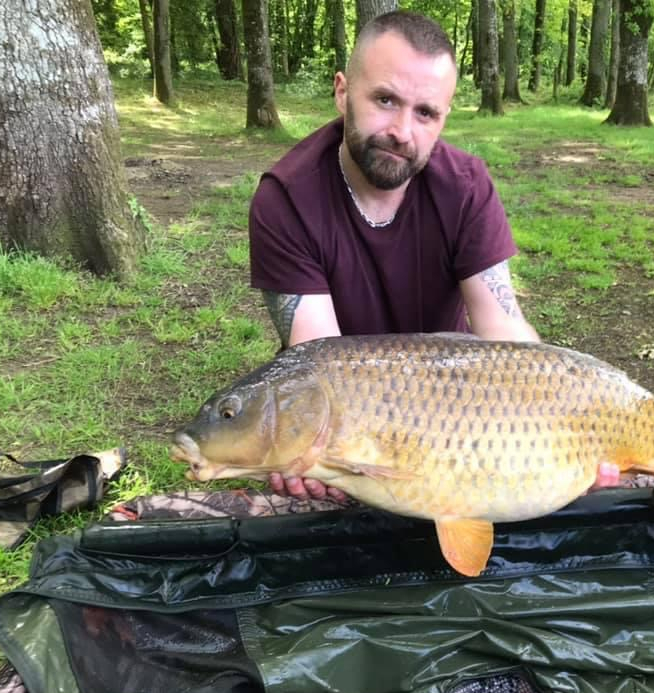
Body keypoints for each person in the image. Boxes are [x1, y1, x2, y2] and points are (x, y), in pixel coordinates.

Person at [248, 10, 619, 501]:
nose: (402, 131)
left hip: (454, 403)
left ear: (444, 118)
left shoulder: (465, 187)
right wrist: (318, 449)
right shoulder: (286, 198)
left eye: (426, 113)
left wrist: (576, 425)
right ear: (342, 92)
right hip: (353, 417)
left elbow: (504, 330)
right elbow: (321, 361)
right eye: (385, 100)